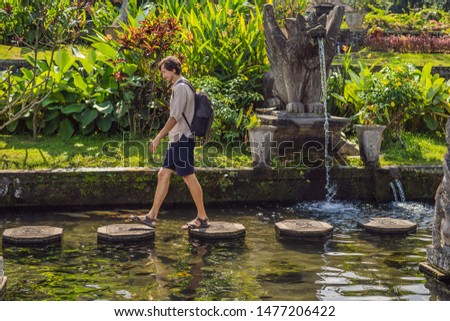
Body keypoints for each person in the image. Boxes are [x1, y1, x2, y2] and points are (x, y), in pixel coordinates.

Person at [131, 56, 210, 230]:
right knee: (163, 174)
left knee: (188, 177)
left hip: (182, 138)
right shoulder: (183, 85)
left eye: (165, 72)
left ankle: (202, 218)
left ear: (174, 70)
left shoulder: (181, 87)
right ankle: (151, 216)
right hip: (177, 139)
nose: (163, 75)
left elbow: (174, 117)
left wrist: (158, 137)